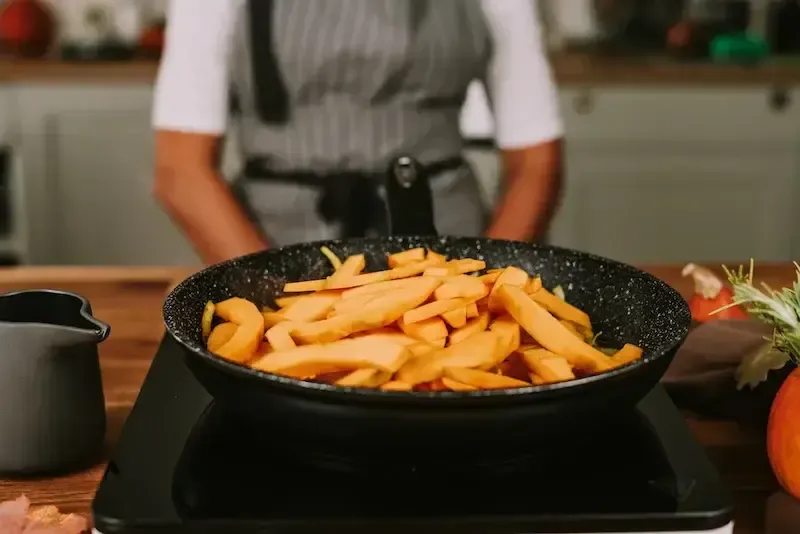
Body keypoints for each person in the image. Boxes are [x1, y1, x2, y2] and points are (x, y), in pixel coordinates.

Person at [152, 0, 563, 265]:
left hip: (451, 250)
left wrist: (486, 284)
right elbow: (181, 172)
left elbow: (536, 163)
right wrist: (271, 293)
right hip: (271, 249)